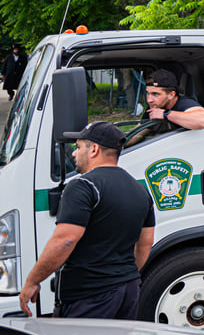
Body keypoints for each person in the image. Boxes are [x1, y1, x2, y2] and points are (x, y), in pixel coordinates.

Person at [19, 122, 155, 319]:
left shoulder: (82, 186)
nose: (74, 153)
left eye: (78, 147)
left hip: (89, 295)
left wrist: (32, 281)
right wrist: (122, 275)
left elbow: (65, 240)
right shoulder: (140, 190)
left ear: (94, 149)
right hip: (129, 289)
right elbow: (145, 243)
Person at [126, 69, 204, 146]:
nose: (149, 100)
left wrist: (166, 114)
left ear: (171, 95)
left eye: (155, 94)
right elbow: (137, 133)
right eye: (148, 93)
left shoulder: (184, 103)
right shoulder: (155, 106)